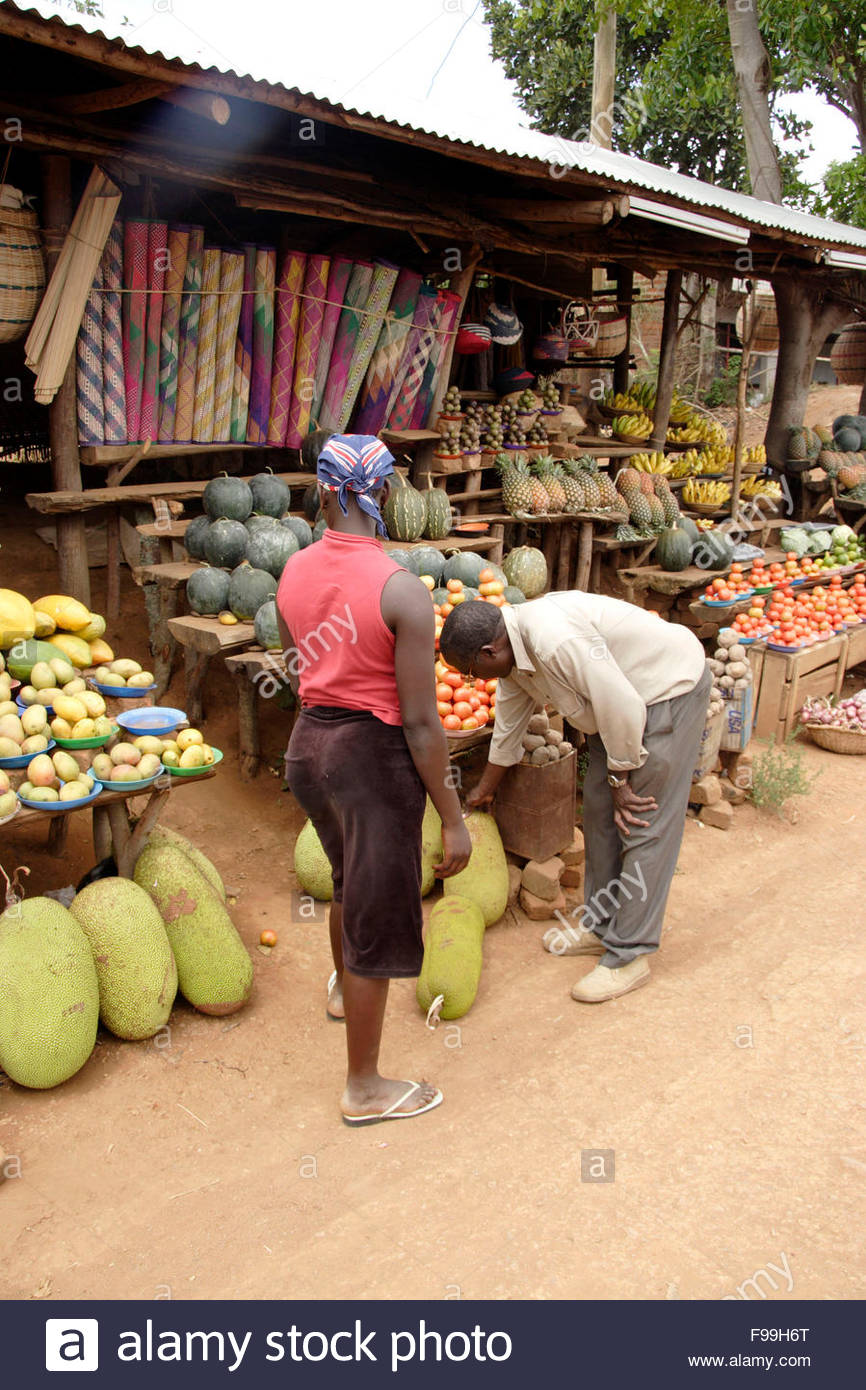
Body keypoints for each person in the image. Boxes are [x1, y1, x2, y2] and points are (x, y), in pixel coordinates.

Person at [276, 434, 472, 1125]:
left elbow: (302, 664)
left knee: (345, 882)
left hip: (310, 752)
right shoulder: (403, 592)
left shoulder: (292, 571)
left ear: (325, 491)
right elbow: (421, 724)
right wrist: (451, 815)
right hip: (371, 763)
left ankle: (341, 994)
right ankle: (364, 1088)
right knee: (379, 916)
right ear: (385, 493)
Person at [439, 592, 711, 1003]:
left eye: (474, 673)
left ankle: (629, 955)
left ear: (488, 650)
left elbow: (623, 704)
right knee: (599, 814)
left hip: (663, 695)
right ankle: (601, 925)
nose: (478, 682)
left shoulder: (552, 641)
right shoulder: (514, 655)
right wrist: (484, 790)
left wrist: (622, 781)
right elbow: (508, 729)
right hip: (615, 713)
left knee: (641, 823)